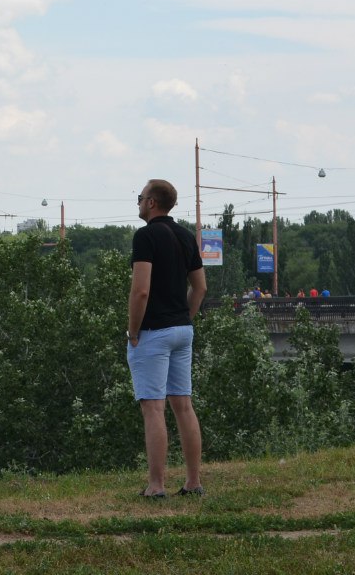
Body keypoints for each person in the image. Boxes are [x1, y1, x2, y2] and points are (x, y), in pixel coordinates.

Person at [128, 179, 206, 498]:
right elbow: (200, 288)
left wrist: (134, 331)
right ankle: (193, 482)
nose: (138, 202)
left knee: (153, 408)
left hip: (153, 332)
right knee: (183, 405)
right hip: (182, 331)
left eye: (140, 197)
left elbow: (141, 290)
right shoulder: (186, 236)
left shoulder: (146, 237)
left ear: (151, 203)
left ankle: (156, 486)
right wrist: (184, 319)